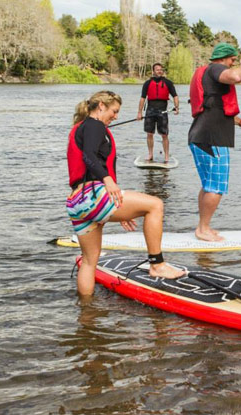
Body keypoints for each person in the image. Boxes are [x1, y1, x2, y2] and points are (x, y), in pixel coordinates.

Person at [67, 90, 185, 296]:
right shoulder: (94, 125)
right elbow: (89, 156)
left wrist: (119, 208)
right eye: (114, 111)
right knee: (155, 205)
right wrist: (108, 181)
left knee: (88, 262)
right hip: (94, 195)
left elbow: (89, 159)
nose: (116, 116)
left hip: (78, 203)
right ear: (101, 106)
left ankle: (86, 317)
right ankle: (157, 264)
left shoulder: (82, 127)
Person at [188, 42, 241, 242]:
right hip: (211, 139)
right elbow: (236, 76)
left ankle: (203, 226)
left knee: (209, 185)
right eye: (233, 60)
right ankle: (203, 229)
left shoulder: (208, 74)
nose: (233, 63)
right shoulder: (217, 68)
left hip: (201, 137)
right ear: (225, 58)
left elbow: (217, 109)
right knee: (216, 186)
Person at [137, 63, 179, 163]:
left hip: (163, 111)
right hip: (150, 110)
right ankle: (150, 154)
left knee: (164, 135)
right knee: (149, 133)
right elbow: (143, 98)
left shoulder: (168, 83)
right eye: (157, 69)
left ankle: (166, 156)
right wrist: (139, 112)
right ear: (153, 71)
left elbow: (175, 96)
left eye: (161, 69)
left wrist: (176, 107)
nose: (159, 71)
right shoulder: (147, 83)